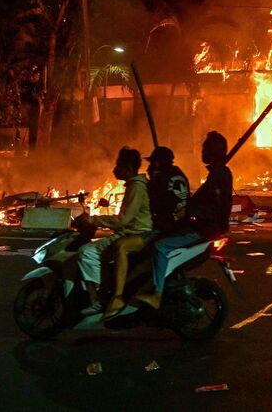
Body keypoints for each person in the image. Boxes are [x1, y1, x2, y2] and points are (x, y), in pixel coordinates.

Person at [135, 131, 233, 309]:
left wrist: (188, 212)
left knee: (160, 247)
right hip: (200, 225)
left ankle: (156, 293)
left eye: (205, 148)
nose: (202, 151)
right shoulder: (215, 174)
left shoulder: (220, 175)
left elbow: (215, 208)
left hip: (204, 229)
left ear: (214, 151)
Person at [101, 146, 190, 319]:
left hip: (164, 229)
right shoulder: (177, 175)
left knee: (121, 246)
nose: (148, 168)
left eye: (151, 164)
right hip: (175, 226)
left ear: (157, 163)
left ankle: (118, 297)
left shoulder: (156, 182)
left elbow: (132, 216)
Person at [76, 147, 153, 317]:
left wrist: (92, 220)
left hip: (134, 234)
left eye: (118, 166)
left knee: (86, 252)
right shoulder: (137, 185)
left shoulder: (136, 187)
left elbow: (123, 220)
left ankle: (97, 300)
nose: (115, 169)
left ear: (128, 168)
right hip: (134, 232)